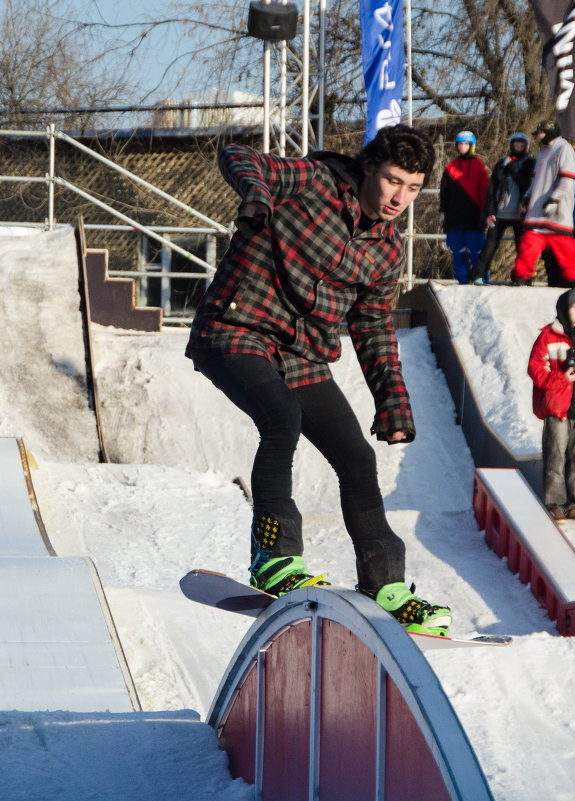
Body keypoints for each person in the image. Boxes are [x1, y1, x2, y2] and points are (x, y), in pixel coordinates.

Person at [185, 124, 451, 636]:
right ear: (369, 168)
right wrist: (258, 197)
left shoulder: (386, 249)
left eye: (414, 188)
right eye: (393, 181)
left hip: (300, 355)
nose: (401, 198)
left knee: (356, 456)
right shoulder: (313, 182)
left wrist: (393, 403)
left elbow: (372, 327)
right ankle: (273, 555)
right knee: (281, 418)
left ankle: (385, 585)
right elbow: (239, 156)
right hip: (234, 328)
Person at [527, 288, 575, 521]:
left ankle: (574, 506)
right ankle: (554, 505)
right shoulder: (548, 336)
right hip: (557, 407)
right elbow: (536, 370)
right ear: (564, 309)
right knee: (555, 456)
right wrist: (563, 378)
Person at [511, 120, 575, 288]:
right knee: (527, 248)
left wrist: (554, 200)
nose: (538, 138)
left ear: (548, 132)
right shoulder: (543, 152)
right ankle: (521, 277)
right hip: (537, 212)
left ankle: (574, 281)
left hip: (557, 213)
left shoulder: (564, 149)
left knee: (566, 250)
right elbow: (536, 181)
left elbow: (567, 180)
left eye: (540, 134)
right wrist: (527, 198)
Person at [470, 132, 535, 285]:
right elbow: (492, 189)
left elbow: (527, 183)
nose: (518, 148)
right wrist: (490, 211)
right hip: (500, 212)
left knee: (523, 248)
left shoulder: (530, 163)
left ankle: (523, 278)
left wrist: (512, 167)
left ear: (525, 147)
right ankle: (478, 276)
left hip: (520, 213)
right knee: (490, 246)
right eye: (515, 145)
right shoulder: (501, 163)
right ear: (511, 146)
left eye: (521, 145)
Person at [439, 131, 491, 284]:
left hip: (475, 219)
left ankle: (481, 283)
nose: (462, 147)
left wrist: (486, 213)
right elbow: (444, 192)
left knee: (477, 255)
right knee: (457, 254)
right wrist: (442, 212)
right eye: (460, 144)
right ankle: (462, 283)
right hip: (454, 220)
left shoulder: (480, 167)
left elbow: (485, 192)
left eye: (466, 144)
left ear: (472, 146)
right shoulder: (450, 167)